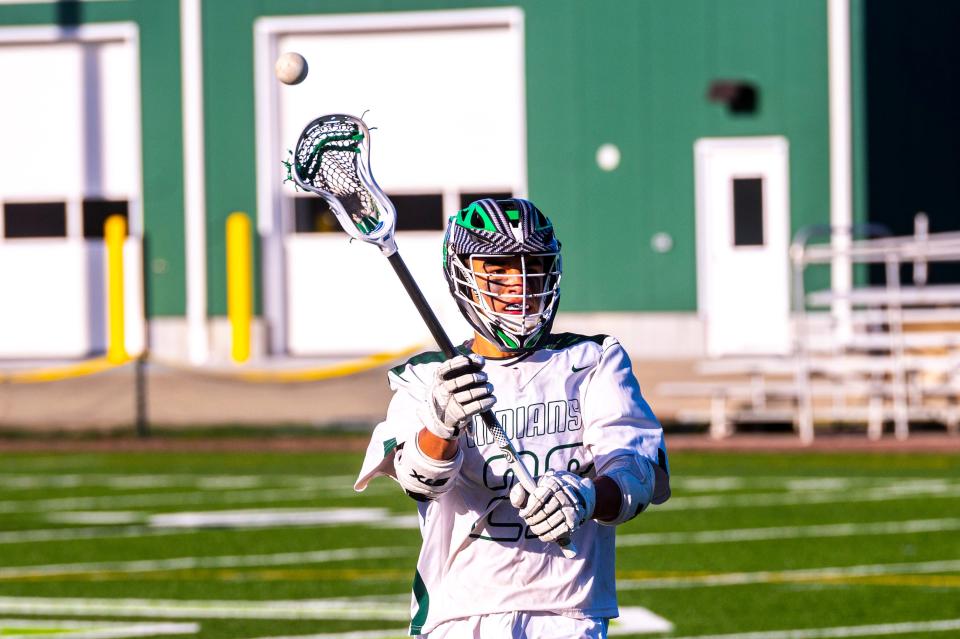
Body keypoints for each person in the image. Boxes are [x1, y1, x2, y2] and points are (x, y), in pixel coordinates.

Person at [355, 198, 670, 638]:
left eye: (531, 266)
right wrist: (442, 423)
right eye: (499, 268)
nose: (519, 284)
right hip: (460, 611)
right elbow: (418, 481)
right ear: (463, 273)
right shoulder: (428, 375)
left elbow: (644, 476)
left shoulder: (593, 359)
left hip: (568, 612)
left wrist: (585, 497)